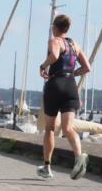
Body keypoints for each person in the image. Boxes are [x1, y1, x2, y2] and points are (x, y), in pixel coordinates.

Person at [37, 14, 92, 180]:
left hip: (55, 86)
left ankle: (47, 167)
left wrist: (43, 66)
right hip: (70, 86)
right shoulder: (74, 44)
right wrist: (73, 73)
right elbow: (87, 67)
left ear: (55, 27)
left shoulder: (55, 41)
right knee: (68, 128)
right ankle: (78, 156)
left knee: (50, 128)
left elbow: (54, 56)